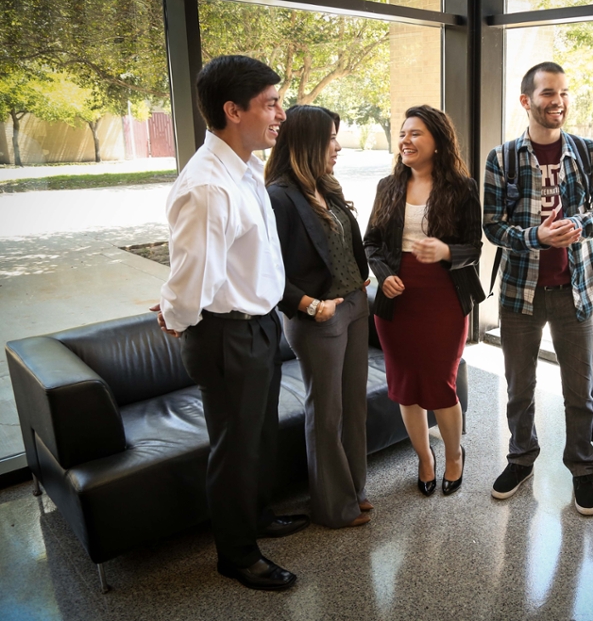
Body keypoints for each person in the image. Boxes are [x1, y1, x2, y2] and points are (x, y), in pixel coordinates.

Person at [155, 55, 306, 591]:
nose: (280, 114)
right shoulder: (207, 186)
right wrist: (176, 314)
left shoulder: (242, 169)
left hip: (260, 324)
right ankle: (237, 555)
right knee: (235, 448)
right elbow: (193, 273)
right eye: (270, 104)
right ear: (232, 110)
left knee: (259, 436)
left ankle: (259, 515)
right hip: (227, 335)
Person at [483, 61, 593, 515]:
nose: (557, 101)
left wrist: (579, 224)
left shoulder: (588, 152)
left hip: (575, 292)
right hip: (520, 295)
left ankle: (582, 469)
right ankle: (521, 459)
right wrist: (534, 237)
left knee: (579, 392)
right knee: (520, 388)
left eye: (562, 93)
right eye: (547, 94)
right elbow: (492, 226)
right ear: (526, 101)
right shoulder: (501, 158)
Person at [364, 105, 484, 497]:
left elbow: (473, 247)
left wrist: (445, 251)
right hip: (397, 300)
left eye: (415, 133)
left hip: (444, 300)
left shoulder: (462, 188)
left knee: (439, 384)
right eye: (403, 134)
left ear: (437, 141)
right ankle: (424, 457)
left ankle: (453, 455)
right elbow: (373, 243)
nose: (406, 140)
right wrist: (385, 277)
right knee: (406, 387)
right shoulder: (388, 186)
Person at [265, 105, 372, 529]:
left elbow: (340, 245)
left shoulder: (325, 186)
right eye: (330, 138)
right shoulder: (277, 197)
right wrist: (308, 303)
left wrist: (358, 278)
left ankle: (355, 491)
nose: (338, 146)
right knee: (326, 415)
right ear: (308, 142)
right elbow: (266, 272)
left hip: (355, 307)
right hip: (318, 317)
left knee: (355, 409)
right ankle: (333, 507)